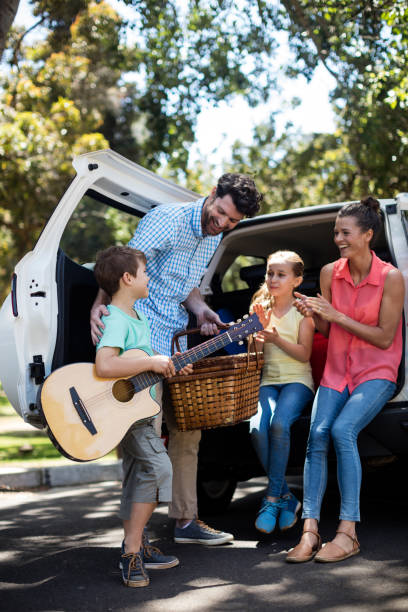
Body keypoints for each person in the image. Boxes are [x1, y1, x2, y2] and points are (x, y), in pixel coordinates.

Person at [91, 174, 262, 545]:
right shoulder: (165, 221)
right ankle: (135, 542)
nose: (222, 224)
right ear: (212, 193)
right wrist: (99, 309)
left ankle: (186, 521)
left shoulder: (213, 236)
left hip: (175, 345)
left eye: (232, 222)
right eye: (220, 213)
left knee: (188, 432)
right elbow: (123, 270)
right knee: (146, 441)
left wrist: (201, 310)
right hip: (140, 343)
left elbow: (187, 287)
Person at [287, 197, 404, 564]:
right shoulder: (328, 273)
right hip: (337, 370)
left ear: (368, 235)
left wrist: (335, 313)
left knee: (342, 431)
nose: (338, 238)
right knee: (317, 436)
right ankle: (309, 531)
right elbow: (326, 327)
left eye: (346, 232)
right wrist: (314, 313)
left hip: (377, 372)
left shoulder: (391, 278)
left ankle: (348, 532)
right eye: (336, 232)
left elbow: (385, 337)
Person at [93, 245, 193, 587]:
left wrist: (167, 366)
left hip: (144, 407)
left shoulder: (138, 315)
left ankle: (138, 544)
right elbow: (106, 364)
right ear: (128, 278)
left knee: (138, 477)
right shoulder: (116, 318)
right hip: (128, 417)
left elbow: (139, 365)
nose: (149, 278)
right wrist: (152, 361)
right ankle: (131, 552)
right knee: (159, 467)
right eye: (145, 272)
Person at [249, 251, 315, 534]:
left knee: (279, 424)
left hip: (297, 381)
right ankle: (288, 496)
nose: (273, 279)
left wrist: (276, 337)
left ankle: (272, 498)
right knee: (256, 428)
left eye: (281, 274)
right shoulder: (260, 309)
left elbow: (303, 354)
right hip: (268, 382)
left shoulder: (303, 313)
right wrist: (258, 335)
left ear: (296, 281)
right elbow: (255, 357)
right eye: (270, 273)